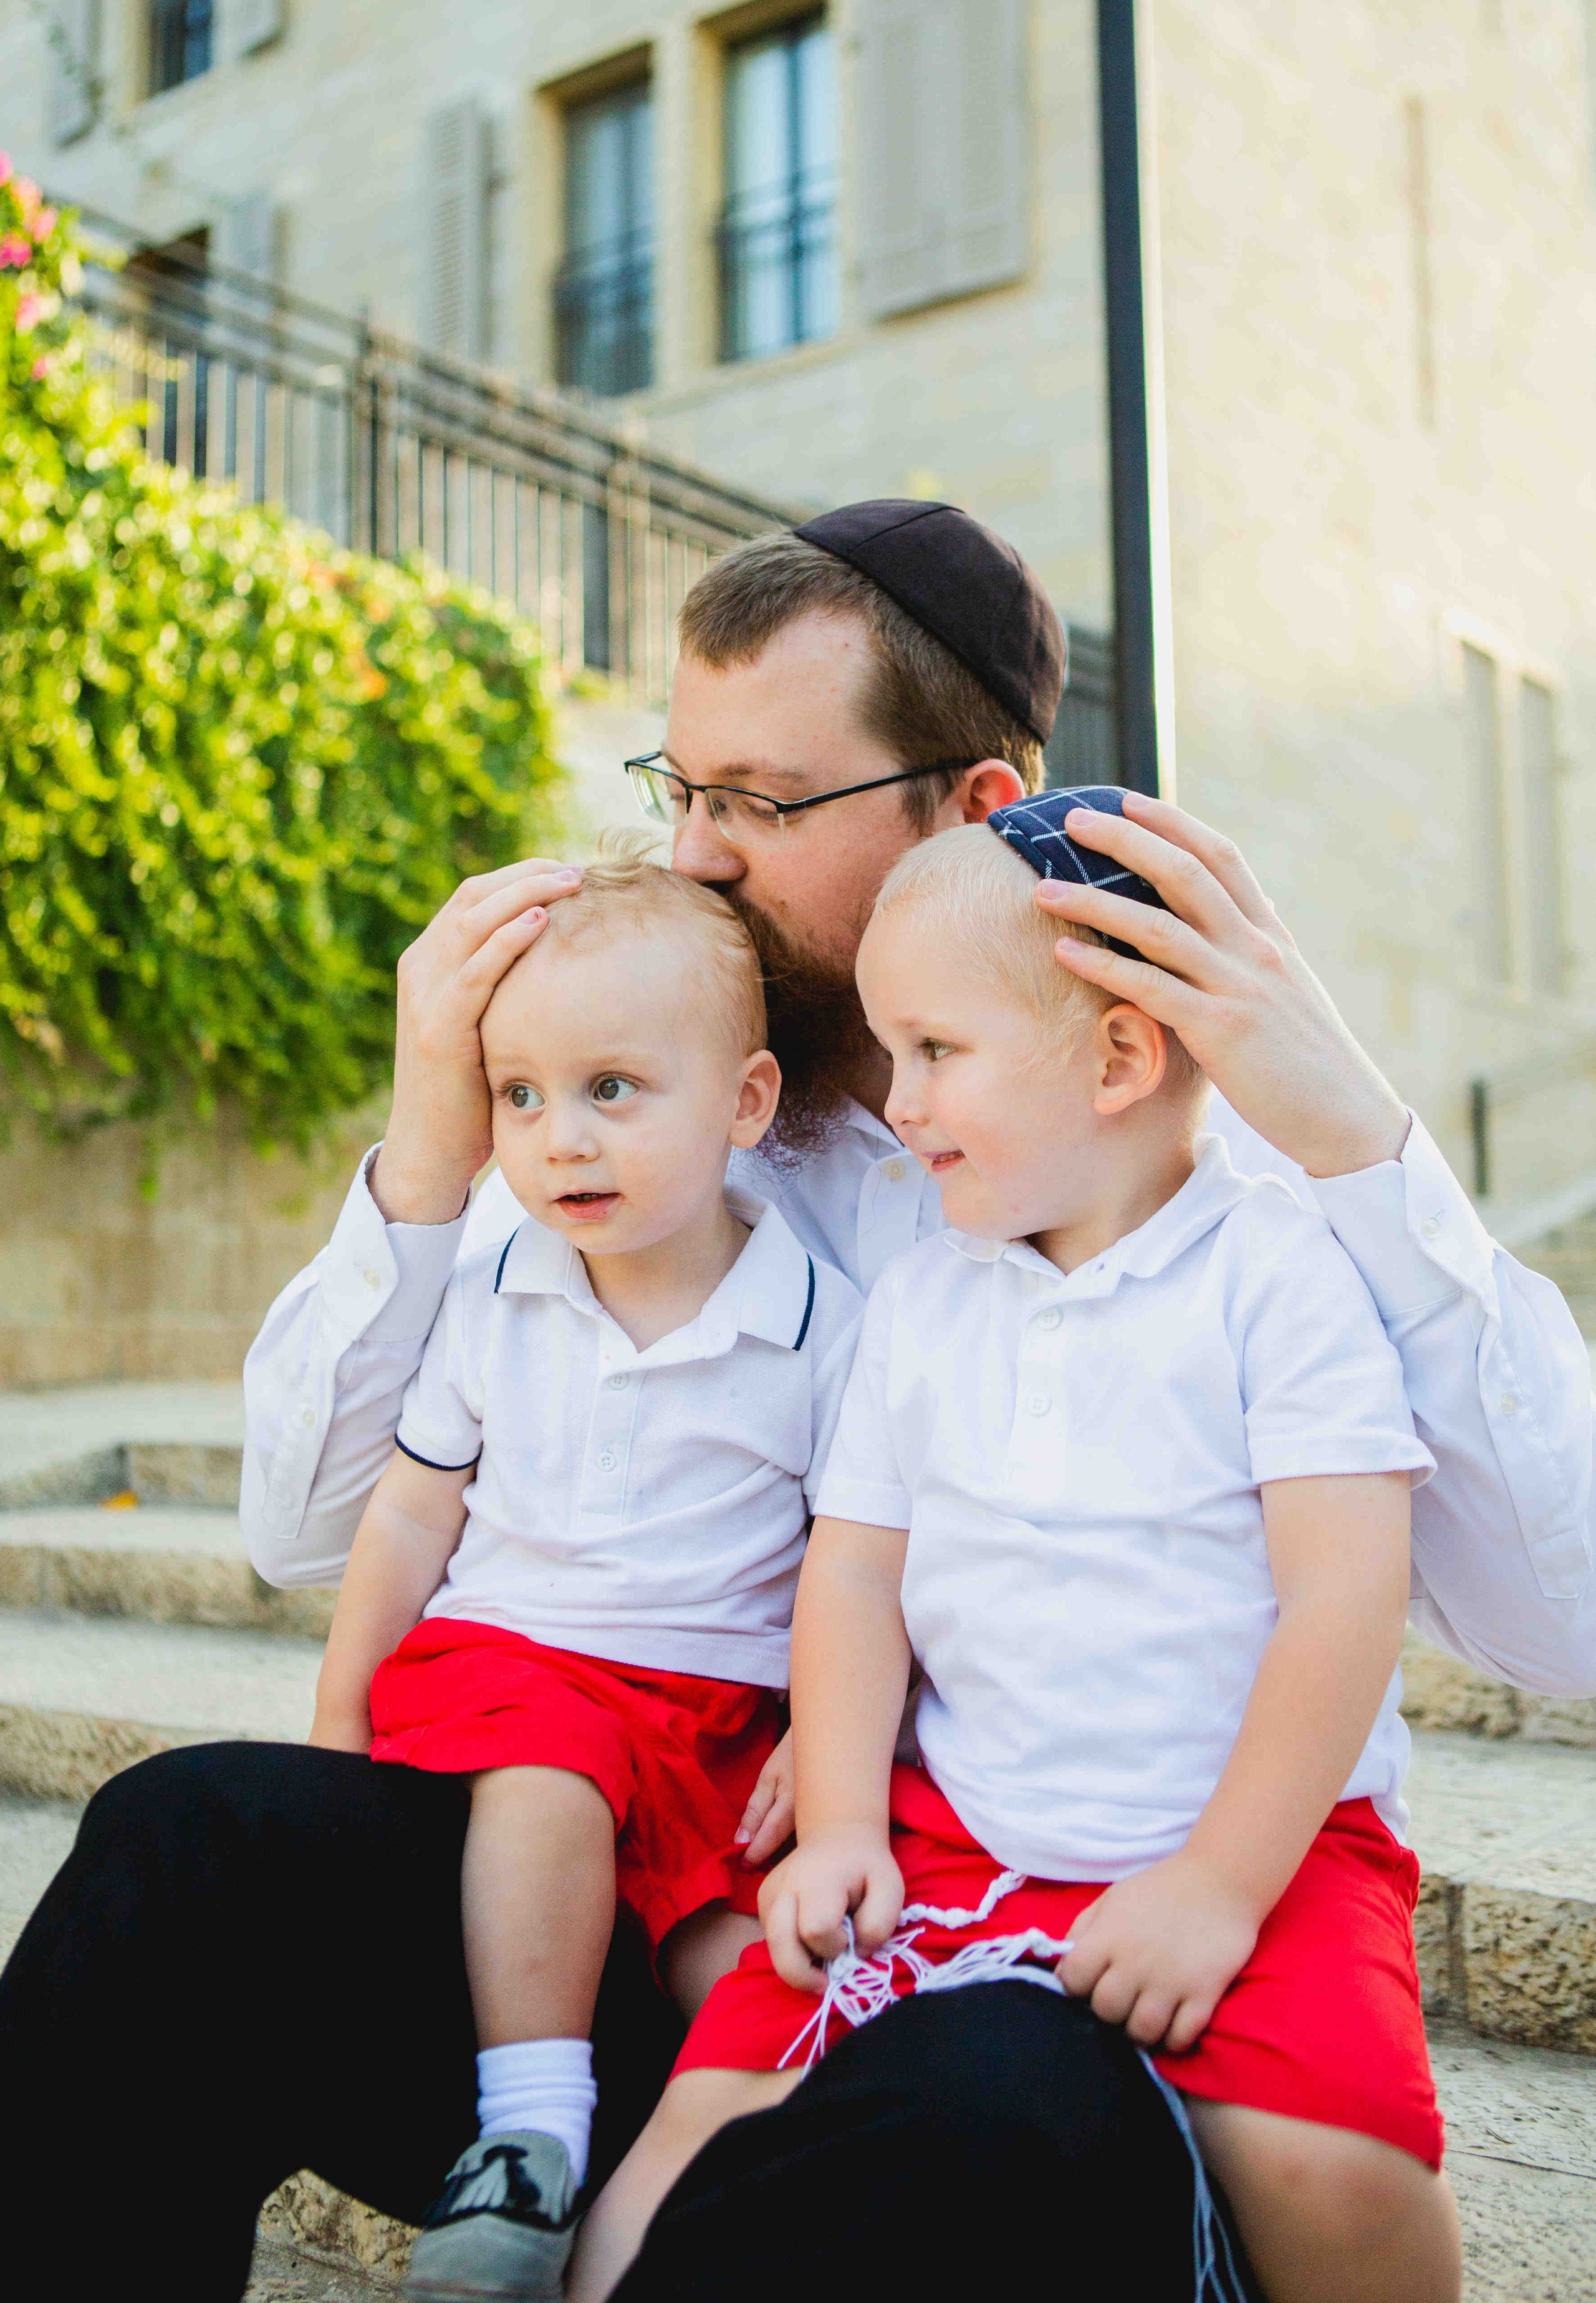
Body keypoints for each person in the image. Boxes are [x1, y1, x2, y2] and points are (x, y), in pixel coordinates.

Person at [2, 504, 1590, 2303]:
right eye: (679, 787)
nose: (693, 852)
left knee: (982, 2088)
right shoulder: (635, 1112)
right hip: (655, 1927)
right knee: (185, 1846)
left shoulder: (1201, 1191)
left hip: (1012, 1998)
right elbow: (300, 1527)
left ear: (971, 807)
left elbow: (1560, 1623)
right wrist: (431, 1150)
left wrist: (1359, 1136)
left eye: (759, 800)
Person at [571, 811, 1456, 2303]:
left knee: (1340, 2174)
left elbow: (1342, 1595)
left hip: (1257, 1839)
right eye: (888, 1050)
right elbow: (855, 1575)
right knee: (682, 2146)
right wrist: (841, 1823)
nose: (896, 1100)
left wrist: (1216, 1885)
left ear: (1117, 1058)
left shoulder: (1275, 1274)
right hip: (959, 1833)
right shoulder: (928, 1297)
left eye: (933, 1050)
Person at [305, 843, 860, 2299]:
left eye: (611, 1088)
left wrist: (820, 1731)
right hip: (520, 1672)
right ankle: (528, 2135)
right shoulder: (497, 1292)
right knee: (547, 1780)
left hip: (718, 1718)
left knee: (776, 1964)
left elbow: (854, 1560)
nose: (560, 1140)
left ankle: (713, 2213)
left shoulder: (822, 1321)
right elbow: (410, 1515)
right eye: (521, 1094)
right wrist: (339, 1713)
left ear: (745, 1102)